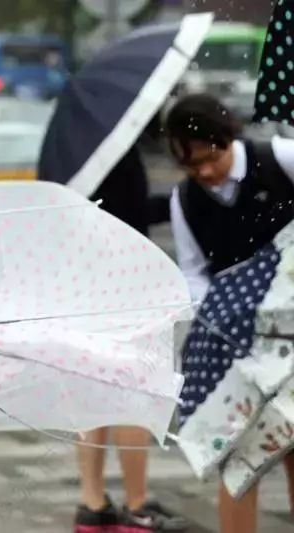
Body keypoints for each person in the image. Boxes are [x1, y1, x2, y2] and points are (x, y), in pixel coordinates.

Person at [166, 93, 294, 533]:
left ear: (227, 137)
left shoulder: (278, 159)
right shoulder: (185, 200)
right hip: (235, 339)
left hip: (290, 331)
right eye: (190, 166)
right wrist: (214, 318)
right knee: (238, 454)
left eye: (210, 158)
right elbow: (194, 271)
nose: (203, 171)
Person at [74, 145, 187, 533]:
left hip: (83, 279)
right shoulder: (115, 149)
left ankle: (92, 502)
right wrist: (178, 199)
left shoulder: (73, 148)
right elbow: (128, 214)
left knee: (92, 390)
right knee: (133, 390)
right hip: (123, 280)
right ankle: (137, 504)